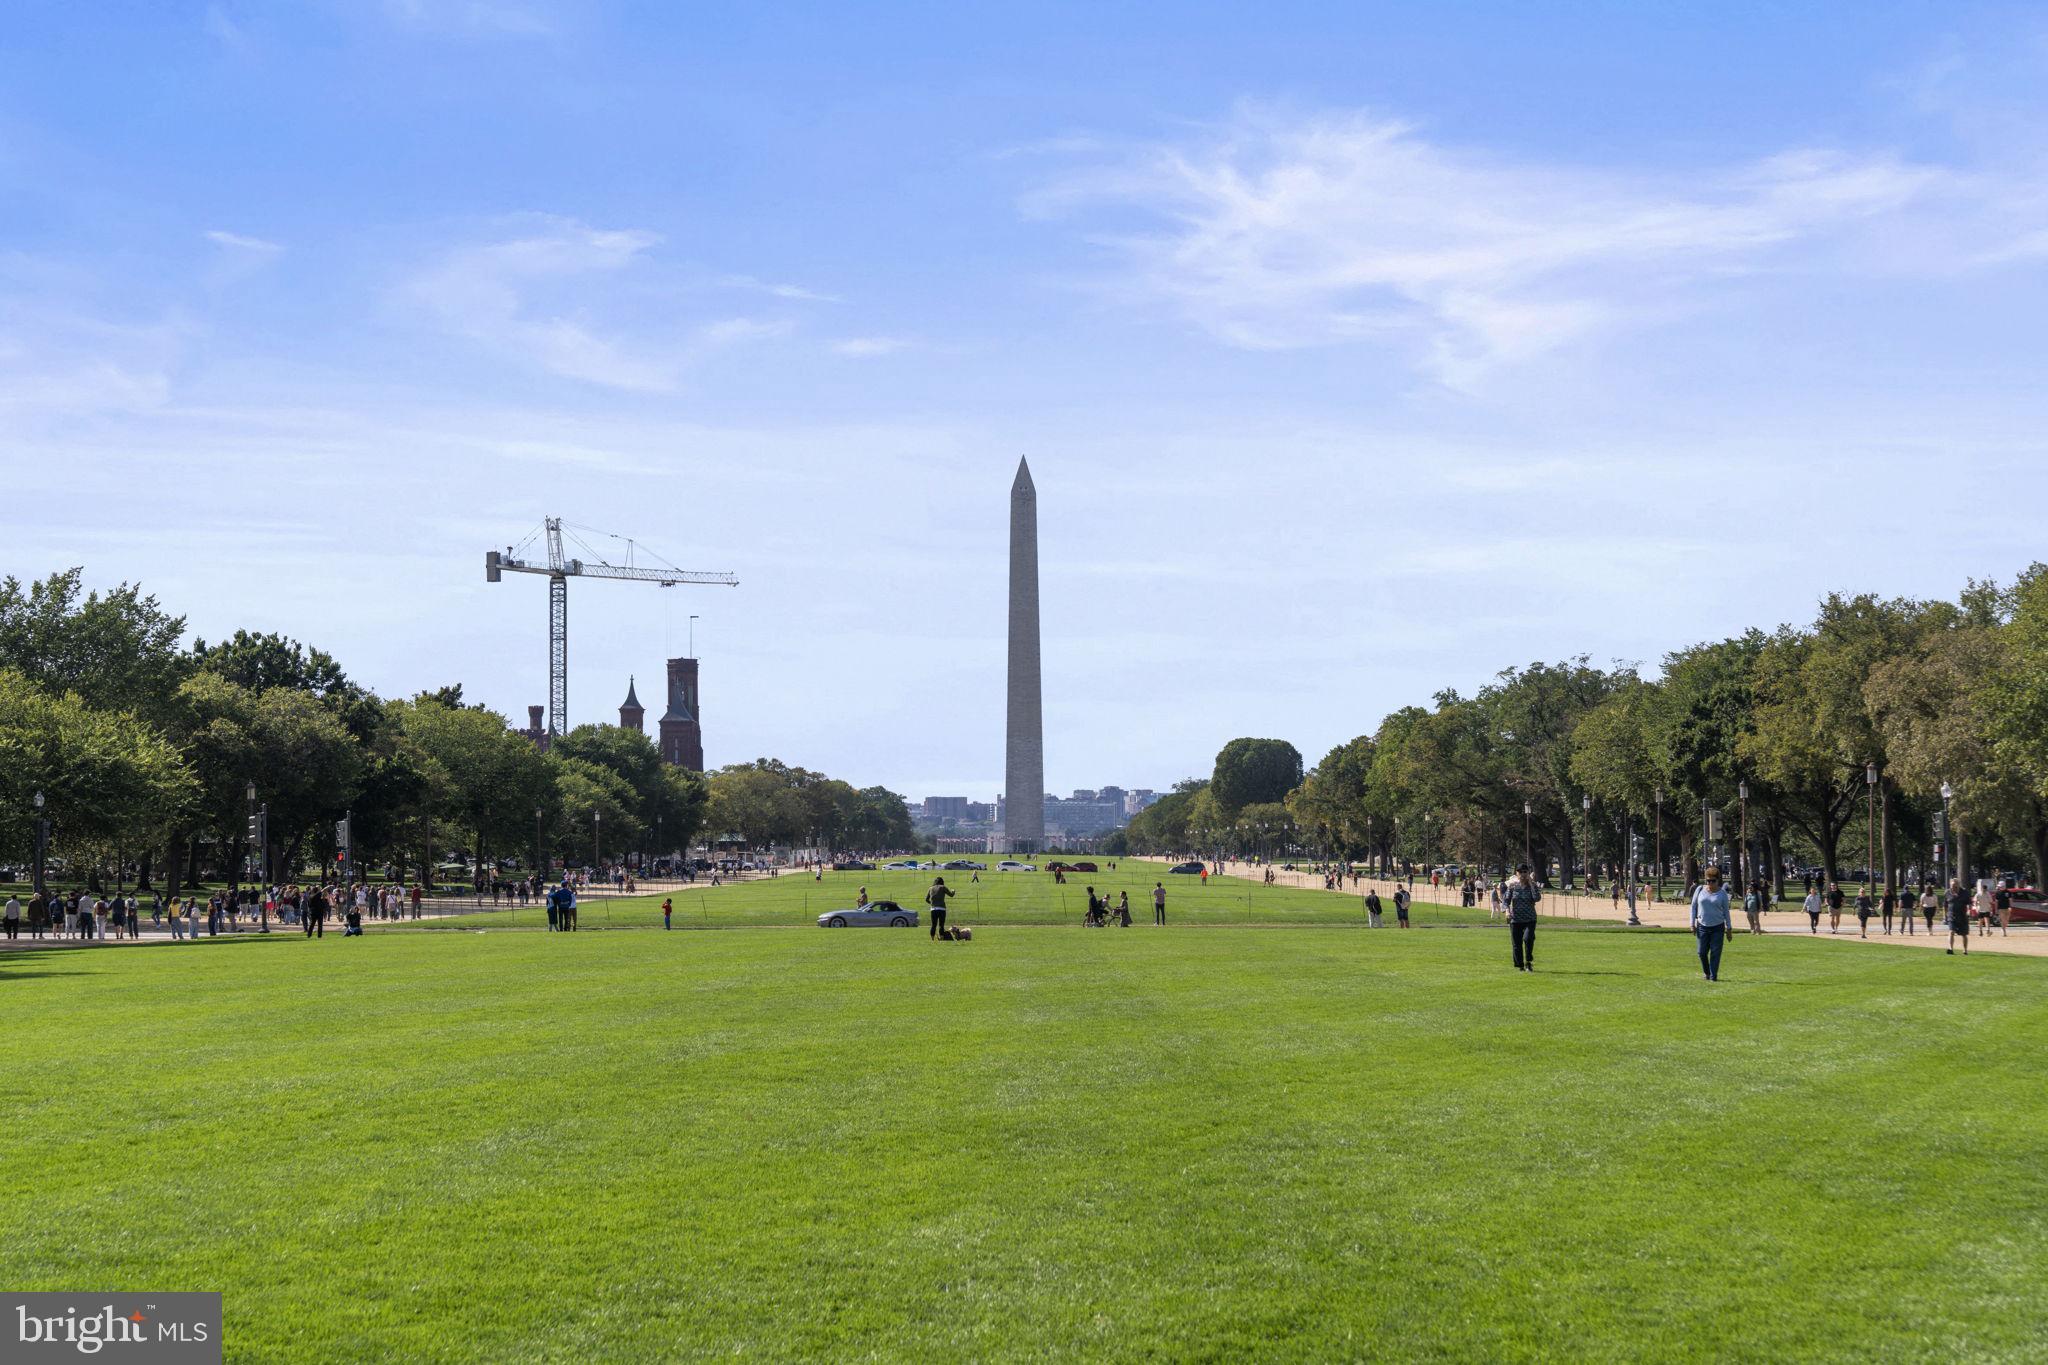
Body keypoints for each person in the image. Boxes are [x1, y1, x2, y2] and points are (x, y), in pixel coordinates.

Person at [1690, 866, 1732, 981]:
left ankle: (1713, 976)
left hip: (1717, 927)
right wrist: (1692, 924)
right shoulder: (1699, 890)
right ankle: (1707, 972)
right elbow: (1693, 907)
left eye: (1713, 881)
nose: (1710, 883)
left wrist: (1729, 928)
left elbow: (1726, 912)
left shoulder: (1722, 894)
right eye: (1708, 881)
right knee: (1701, 952)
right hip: (1702, 926)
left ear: (1718, 881)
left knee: (1715, 952)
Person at [1504, 864, 1541, 971]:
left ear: (1528, 873)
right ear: (1517, 873)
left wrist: (1531, 884)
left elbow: (1537, 898)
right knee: (1516, 944)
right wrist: (1507, 911)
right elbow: (1506, 901)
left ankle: (1528, 960)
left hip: (1530, 918)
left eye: (1525, 872)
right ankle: (1520, 965)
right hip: (1515, 919)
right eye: (1520, 872)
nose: (1523, 874)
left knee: (1528, 938)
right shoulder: (1512, 886)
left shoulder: (1533, 885)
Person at [1945, 878, 1971, 956]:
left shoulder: (1965, 893)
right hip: (1951, 915)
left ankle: (1965, 950)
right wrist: (1945, 915)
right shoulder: (1947, 892)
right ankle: (1950, 948)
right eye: (1952, 885)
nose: (1953, 887)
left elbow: (1969, 903)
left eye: (1955, 885)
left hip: (1962, 916)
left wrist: (1969, 911)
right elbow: (1945, 905)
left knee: (1964, 934)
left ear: (1958, 885)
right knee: (1951, 931)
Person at [926, 875, 955, 940]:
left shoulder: (931, 888)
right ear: (942, 882)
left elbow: (926, 899)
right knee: (941, 925)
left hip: (933, 909)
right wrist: (953, 891)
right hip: (942, 909)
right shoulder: (943, 887)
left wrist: (932, 904)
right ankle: (941, 938)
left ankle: (932, 939)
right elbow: (951, 895)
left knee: (933, 925)